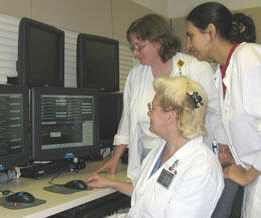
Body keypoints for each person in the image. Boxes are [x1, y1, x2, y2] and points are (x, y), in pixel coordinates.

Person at [94, 13, 226, 183]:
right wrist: (115, 158)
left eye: (139, 47)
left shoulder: (196, 69)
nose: (135, 53)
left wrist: (223, 150)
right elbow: (127, 119)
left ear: (159, 41)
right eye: (132, 48)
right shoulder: (136, 75)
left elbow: (216, 115)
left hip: (186, 161)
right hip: (148, 160)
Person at [87, 76, 224, 218]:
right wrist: (112, 183)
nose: (148, 113)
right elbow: (149, 195)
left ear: (170, 116)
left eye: (152, 107)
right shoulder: (162, 149)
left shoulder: (201, 168)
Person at [186, 2, 261, 218]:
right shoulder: (221, 72)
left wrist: (248, 174)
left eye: (191, 35)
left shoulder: (249, 57)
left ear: (210, 32)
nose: (188, 44)